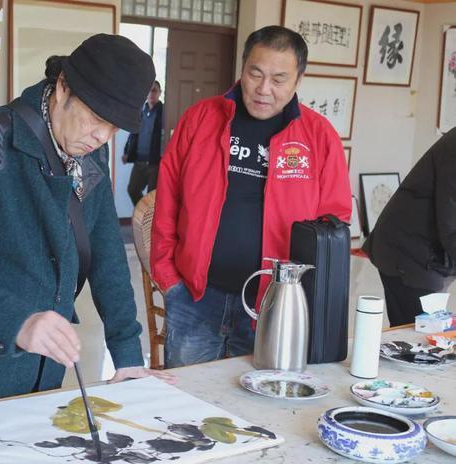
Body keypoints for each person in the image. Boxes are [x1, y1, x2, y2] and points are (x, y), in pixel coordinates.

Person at [0, 34, 174, 409]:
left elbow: (107, 257)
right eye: (97, 119)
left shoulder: (91, 154)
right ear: (63, 86)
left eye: (114, 129)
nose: (102, 137)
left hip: (42, 378)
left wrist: (128, 355)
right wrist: (17, 321)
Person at [150, 25, 351, 368]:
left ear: (298, 80)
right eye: (255, 74)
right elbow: (167, 200)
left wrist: (304, 297)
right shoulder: (201, 119)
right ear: (242, 69)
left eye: (278, 79)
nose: (263, 89)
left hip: (274, 305)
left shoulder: (320, 138)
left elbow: (334, 224)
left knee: (258, 410)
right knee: (184, 404)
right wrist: (170, 280)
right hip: (196, 296)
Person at [362, 128, 456, 326]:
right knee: (419, 340)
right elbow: (451, 222)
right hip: (409, 251)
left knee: (430, 335)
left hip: (433, 254)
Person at [123, 81, 164, 205]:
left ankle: (148, 221)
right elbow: (132, 135)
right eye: (149, 90)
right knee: (132, 190)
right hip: (139, 161)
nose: (151, 93)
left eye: (154, 90)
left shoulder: (164, 112)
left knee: (152, 197)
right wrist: (126, 152)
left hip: (154, 163)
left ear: (160, 93)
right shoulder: (141, 112)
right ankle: (144, 215)